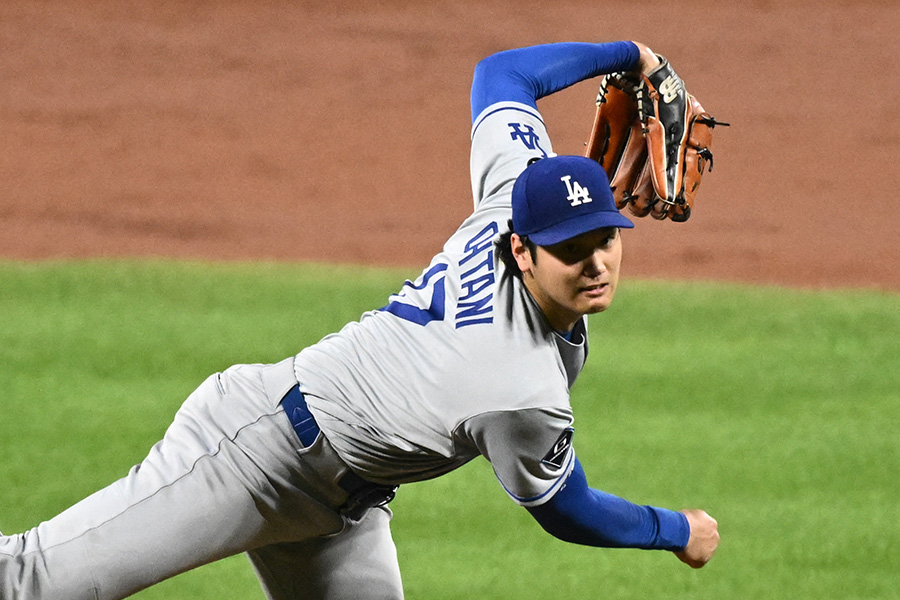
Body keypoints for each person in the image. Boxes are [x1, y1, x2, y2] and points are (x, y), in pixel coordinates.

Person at [0, 39, 719, 600]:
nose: (595, 263)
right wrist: (675, 529)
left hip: (344, 506)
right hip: (254, 454)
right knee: (33, 582)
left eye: (605, 239)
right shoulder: (517, 388)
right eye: (572, 250)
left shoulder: (510, 197)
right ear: (523, 251)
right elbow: (570, 510)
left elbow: (502, 75)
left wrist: (632, 56)